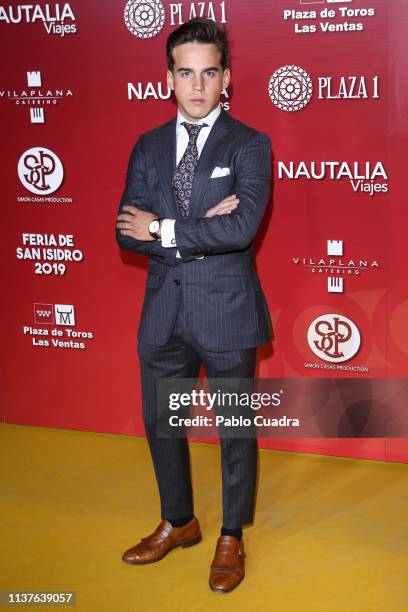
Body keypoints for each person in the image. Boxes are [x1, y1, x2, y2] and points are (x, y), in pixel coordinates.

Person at [116, 17, 272, 593]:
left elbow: (242, 226)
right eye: (187, 73)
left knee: (235, 429)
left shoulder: (251, 144)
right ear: (170, 79)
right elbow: (125, 231)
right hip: (163, 313)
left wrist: (165, 228)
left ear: (226, 78)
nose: (198, 86)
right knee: (162, 426)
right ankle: (179, 522)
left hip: (227, 310)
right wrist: (187, 226)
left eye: (210, 73)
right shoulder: (148, 146)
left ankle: (232, 534)